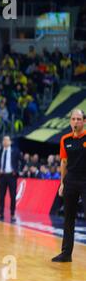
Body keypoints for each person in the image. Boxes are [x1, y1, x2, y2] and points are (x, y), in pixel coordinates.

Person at [52, 109, 86, 263]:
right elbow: (64, 162)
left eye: (79, 119)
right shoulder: (65, 139)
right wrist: (62, 183)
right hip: (70, 181)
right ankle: (66, 253)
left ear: (84, 121)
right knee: (68, 218)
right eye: (73, 119)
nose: (76, 122)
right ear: (70, 121)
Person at [0, 135, 20, 222]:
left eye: (6, 140)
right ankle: (0, 213)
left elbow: (21, 161)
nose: (5, 142)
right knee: (1, 196)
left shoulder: (15, 151)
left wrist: (16, 171)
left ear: (10, 142)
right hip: (2, 176)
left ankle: (12, 214)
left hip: (11, 176)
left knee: (12, 196)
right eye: (4, 140)